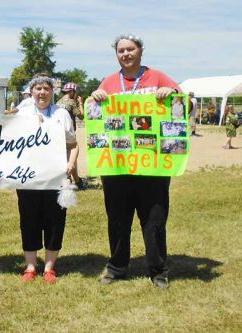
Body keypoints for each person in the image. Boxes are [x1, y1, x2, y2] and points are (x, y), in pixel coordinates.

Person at [91, 33, 182, 289]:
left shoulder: (158, 77)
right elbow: (96, 117)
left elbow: (184, 107)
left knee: (154, 220)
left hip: (151, 167)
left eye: (130, 49)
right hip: (117, 167)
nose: (126, 54)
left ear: (140, 51)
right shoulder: (109, 82)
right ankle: (117, 268)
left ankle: (158, 271)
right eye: (121, 51)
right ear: (116, 54)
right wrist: (96, 97)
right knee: (117, 219)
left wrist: (172, 91)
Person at [13, 73, 78, 284]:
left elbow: (73, 143)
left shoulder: (61, 113)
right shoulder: (22, 110)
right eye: (38, 89)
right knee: (29, 219)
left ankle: (49, 268)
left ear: (52, 91)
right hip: (28, 177)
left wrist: (71, 164)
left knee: (55, 221)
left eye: (46, 89)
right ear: (31, 91)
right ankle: (30, 266)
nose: (42, 92)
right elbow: (2, 126)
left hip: (55, 177)